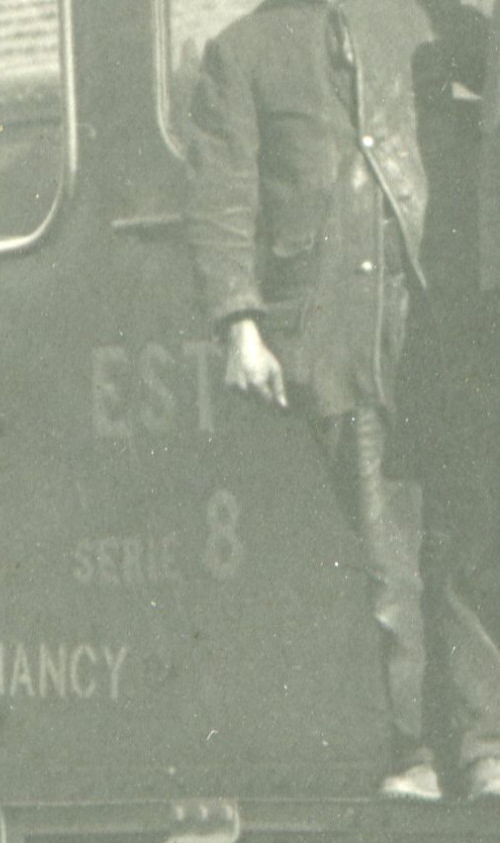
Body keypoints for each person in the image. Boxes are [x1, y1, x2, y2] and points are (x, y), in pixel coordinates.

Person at [185, 0, 492, 798]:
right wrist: (239, 323)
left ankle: (484, 748)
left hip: (439, 313)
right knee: (387, 549)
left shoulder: (430, 22)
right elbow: (222, 194)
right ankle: (418, 754)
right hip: (334, 328)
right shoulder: (238, 51)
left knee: (468, 531)